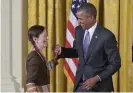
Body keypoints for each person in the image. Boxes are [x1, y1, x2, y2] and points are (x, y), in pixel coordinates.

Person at [54, 3, 121, 92]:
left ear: (91, 17)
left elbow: (116, 63)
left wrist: (97, 78)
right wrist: (62, 51)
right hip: (81, 85)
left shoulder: (106, 36)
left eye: (81, 19)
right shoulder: (79, 30)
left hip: (100, 87)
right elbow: (78, 51)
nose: (78, 21)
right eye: (77, 18)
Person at [26, 25, 58, 92]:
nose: (47, 38)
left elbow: (45, 68)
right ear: (35, 39)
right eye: (45, 36)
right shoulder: (34, 57)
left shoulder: (38, 54)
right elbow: (30, 83)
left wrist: (56, 58)